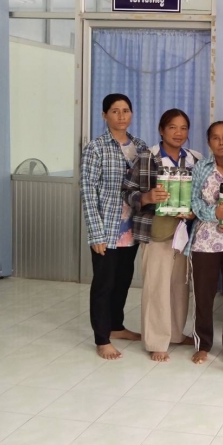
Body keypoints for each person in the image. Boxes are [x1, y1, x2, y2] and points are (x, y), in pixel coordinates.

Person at [122, 109, 203, 362]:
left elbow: (202, 194)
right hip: (156, 230)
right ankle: (157, 341)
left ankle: (176, 333)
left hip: (184, 233)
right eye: (172, 127)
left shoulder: (195, 159)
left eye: (183, 128)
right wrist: (147, 197)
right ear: (161, 130)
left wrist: (195, 211)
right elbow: (128, 191)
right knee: (157, 286)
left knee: (180, 285)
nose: (178, 133)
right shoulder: (147, 157)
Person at [81, 93, 147, 360]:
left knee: (123, 280)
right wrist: (95, 233)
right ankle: (102, 338)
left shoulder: (140, 146)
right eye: (115, 111)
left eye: (126, 110)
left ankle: (116, 326)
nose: (121, 116)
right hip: (107, 228)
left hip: (132, 228)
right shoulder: (95, 147)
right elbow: (88, 191)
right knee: (104, 283)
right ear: (104, 115)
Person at [187, 121, 223, 366]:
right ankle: (203, 345)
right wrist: (215, 213)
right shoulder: (201, 168)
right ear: (209, 142)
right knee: (204, 296)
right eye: (215, 137)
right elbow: (193, 202)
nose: (221, 142)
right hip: (205, 242)